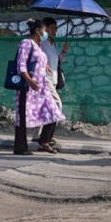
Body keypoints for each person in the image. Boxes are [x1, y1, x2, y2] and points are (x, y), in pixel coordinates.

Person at [13, 19, 65, 155]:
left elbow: (38, 60)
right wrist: (29, 80)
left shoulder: (38, 45)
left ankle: (44, 140)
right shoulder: (26, 43)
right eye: (44, 30)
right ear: (37, 30)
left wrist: (45, 66)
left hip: (41, 88)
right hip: (28, 87)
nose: (45, 32)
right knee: (22, 117)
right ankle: (20, 147)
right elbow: (21, 64)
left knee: (54, 112)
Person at [39, 17, 70, 151]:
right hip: (45, 79)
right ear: (45, 29)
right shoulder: (42, 43)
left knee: (46, 109)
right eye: (52, 28)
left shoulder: (53, 44)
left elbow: (58, 60)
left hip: (53, 80)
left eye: (56, 28)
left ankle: (41, 137)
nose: (55, 31)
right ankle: (45, 140)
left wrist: (64, 51)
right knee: (57, 105)